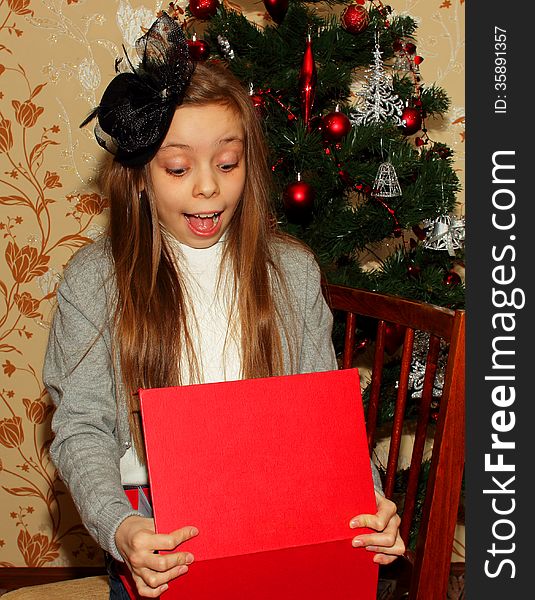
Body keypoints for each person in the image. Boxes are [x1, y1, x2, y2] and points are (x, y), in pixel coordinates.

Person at [43, 13, 404, 600]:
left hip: (281, 521)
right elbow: (82, 427)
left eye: (228, 164)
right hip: (157, 532)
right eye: (179, 168)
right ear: (140, 178)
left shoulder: (290, 271)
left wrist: (369, 503)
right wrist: (122, 527)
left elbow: (323, 422)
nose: (207, 186)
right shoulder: (96, 279)